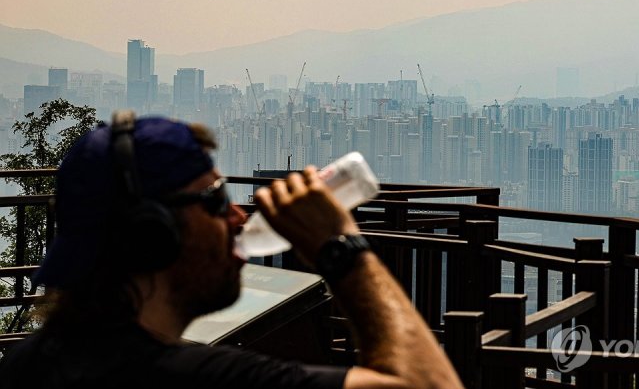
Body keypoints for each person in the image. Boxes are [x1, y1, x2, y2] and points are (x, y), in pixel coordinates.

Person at [0, 113, 462, 389]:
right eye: (216, 200)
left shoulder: (25, 366)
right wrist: (341, 246)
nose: (238, 218)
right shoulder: (198, 379)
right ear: (151, 234)